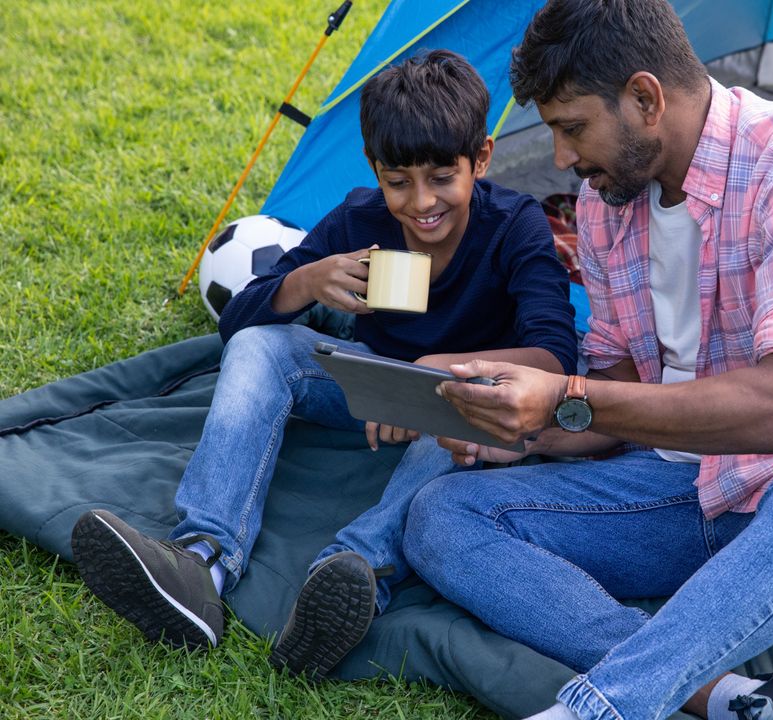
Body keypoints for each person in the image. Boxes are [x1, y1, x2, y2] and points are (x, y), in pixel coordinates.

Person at [399, 2, 773, 719]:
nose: (562, 159)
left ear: (644, 99)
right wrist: (525, 424)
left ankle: (600, 706)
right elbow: (616, 395)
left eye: (571, 128)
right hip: (685, 489)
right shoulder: (606, 206)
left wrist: (568, 393)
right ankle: (728, 699)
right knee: (441, 517)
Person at [69, 49, 578, 681]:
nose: (421, 203)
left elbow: (555, 354)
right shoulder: (359, 220)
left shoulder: (515, 226)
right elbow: (240, 324)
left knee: (467, 413)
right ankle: (202, 559)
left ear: (482, 159)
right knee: (260, 346)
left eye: (442, 177)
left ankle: (353, 575)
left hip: (462, 400)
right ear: (376, 171)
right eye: (399, 181)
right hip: (367, 385)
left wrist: (436, 372)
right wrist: (306, 281)